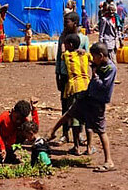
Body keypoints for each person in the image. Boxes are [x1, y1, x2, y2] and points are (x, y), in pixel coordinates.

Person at [48, 42, 116, 172]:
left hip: (98, 102)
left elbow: (104, 86)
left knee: (101, 130)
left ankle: (109, 161)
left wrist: (95, 74)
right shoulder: (99, 64)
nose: (93, 59)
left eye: (94, 57)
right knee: (70, 113)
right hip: (87, 97)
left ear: (101, 56)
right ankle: (51, 132)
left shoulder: (110, 68)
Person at [61, 33, 91, 156]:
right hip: (86, 86)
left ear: (71, 45)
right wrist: (82, 50)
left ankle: (76, 147)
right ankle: (89, 147)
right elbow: (92, 58)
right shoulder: (85, 55)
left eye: (67, 44)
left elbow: (63, 53)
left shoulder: (67, 56)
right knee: (88, 118)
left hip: (73, 88)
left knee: (74, 119)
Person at [55, 12, 82, 144]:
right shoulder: (62, 39)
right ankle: (65, 134)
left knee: (79, 106)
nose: (65, 24)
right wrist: (57, 76)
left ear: (75, 23)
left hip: (78, 78)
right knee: (65, 106)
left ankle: (79, 134)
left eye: (67, 22)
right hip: (65, 76)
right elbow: (58, 59)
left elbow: (87, 57)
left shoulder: (82, 38)